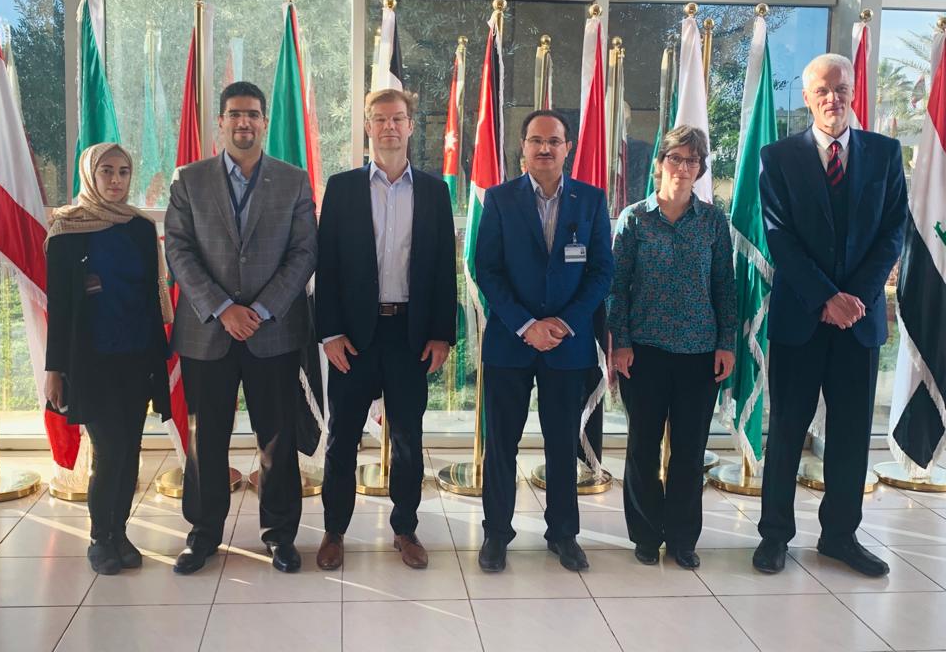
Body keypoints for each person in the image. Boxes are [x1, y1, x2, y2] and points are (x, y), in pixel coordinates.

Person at [753, 53, 906, 577]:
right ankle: (774, 536)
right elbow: (779, 237)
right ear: (806, 97)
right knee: (788, 431)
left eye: (841, 88)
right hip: (801, 318)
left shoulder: (885, 154)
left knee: (850, 435)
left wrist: (853, 298)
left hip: (859, 321)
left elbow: (893, 233)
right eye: (822, 89)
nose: (832, 98)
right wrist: (825, 298)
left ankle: (840, 537)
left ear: (853, 91)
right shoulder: (777, 157)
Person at [165, 81, 317, 575]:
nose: (243, 122)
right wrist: (223, 308)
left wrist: (263, 309)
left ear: (264, 122)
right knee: (206, 439)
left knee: (277, 440)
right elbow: (178, 250)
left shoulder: (293, 180)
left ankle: (280, 535)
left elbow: (304, 252)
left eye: (252, 114)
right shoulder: (189, 179)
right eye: (234, 114)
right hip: (207, 331)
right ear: (221, 122)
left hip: (274, 332)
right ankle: (203, 534)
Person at [315, 88, 457, 571]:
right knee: (342, 438)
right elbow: (326, 266)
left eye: (398, 118)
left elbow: (444, 268)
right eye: (380, 119)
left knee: (408, 440)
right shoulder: (342, 188)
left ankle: (405, 528)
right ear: (368, 127)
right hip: (354, 335)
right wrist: (329, 333)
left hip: (410, 335)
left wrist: (442, 333)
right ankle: (334, 530)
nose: (389, 127)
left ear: (411, 126)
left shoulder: (435, 191)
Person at [475, 109, 614, 573]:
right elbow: (487, 270)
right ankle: (496, 534)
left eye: (554, 141)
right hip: (510, 344)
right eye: (536, 140)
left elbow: (601, 272)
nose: (545, 148)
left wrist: (564, 324)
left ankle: (564, 534)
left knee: (561, 443)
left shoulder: (591, 201)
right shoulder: (499, 199)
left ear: (567, 147)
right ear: (523, 147)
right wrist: (526, 325)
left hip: (566, 346)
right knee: (501, 444)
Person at [608, 125, 736, 570]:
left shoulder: (713, 221)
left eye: (692, 160)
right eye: (676, 159)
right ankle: (645, 535)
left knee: (689, 451)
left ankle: (682, 539)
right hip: (643, 353)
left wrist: (727, 342)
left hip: (700, 354)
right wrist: (621, 342)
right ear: (660, 164)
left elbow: (724, 286)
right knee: (642, 448)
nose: (684, 167)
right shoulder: (634, 219)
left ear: (700, 169)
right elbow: (616, 288)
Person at [45, 143, 172, 575]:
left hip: (137, 356)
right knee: (109, 448)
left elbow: (151, 294)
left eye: (123, 171)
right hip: (91, 360)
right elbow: (60, 307)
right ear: (90, 175)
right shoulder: (68, 229)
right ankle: (100, 538)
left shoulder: (139, 227)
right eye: (106, 171)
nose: (116, 180)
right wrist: (54, 369)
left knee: (131, 448)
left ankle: (120, 532)